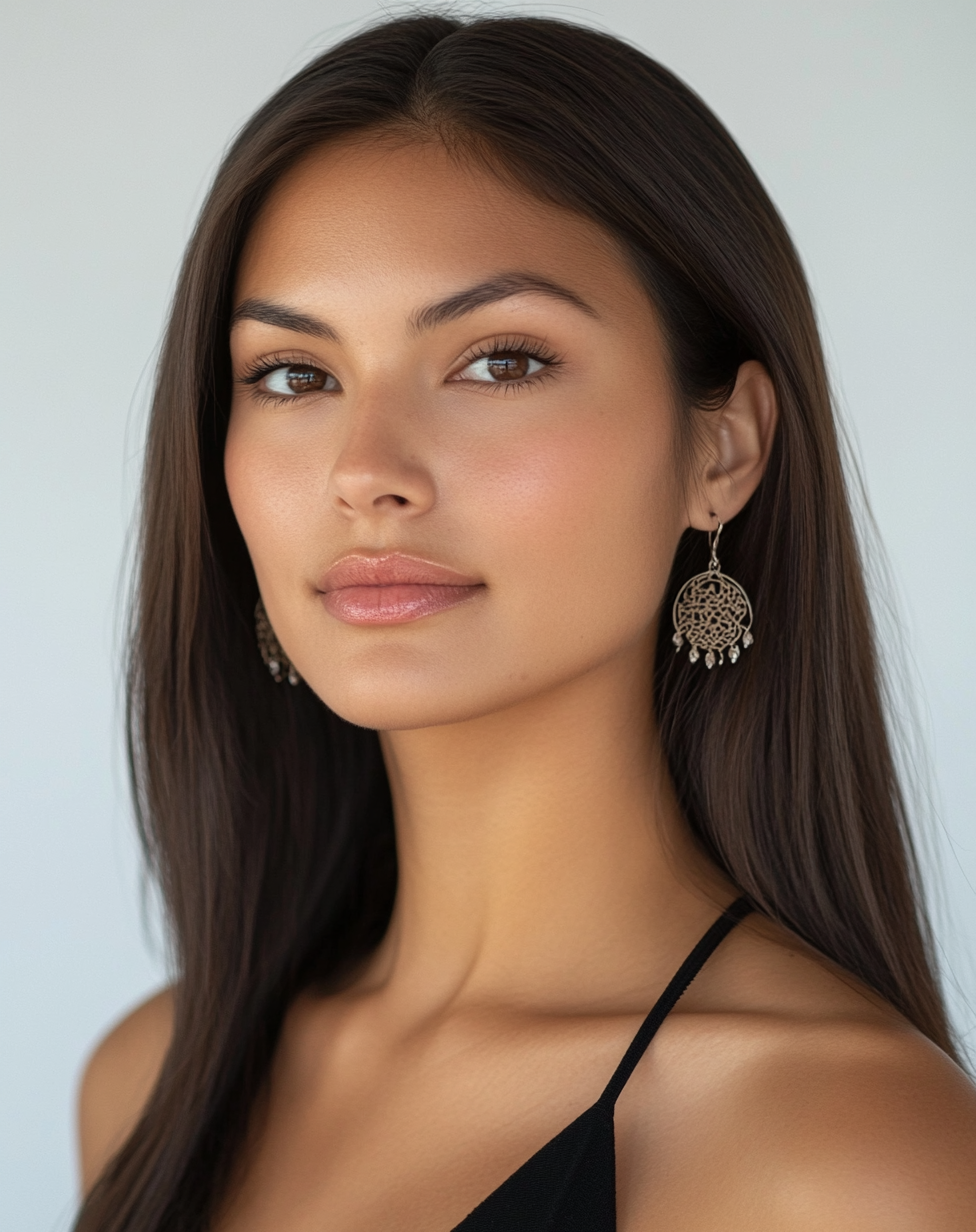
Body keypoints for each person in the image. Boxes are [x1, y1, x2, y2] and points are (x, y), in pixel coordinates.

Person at [74, 13, 976, 1232]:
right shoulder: (148, 1081)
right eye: (294, 374)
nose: (368, 470)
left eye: (499, 361)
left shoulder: (844, 1155)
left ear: (725, 446)